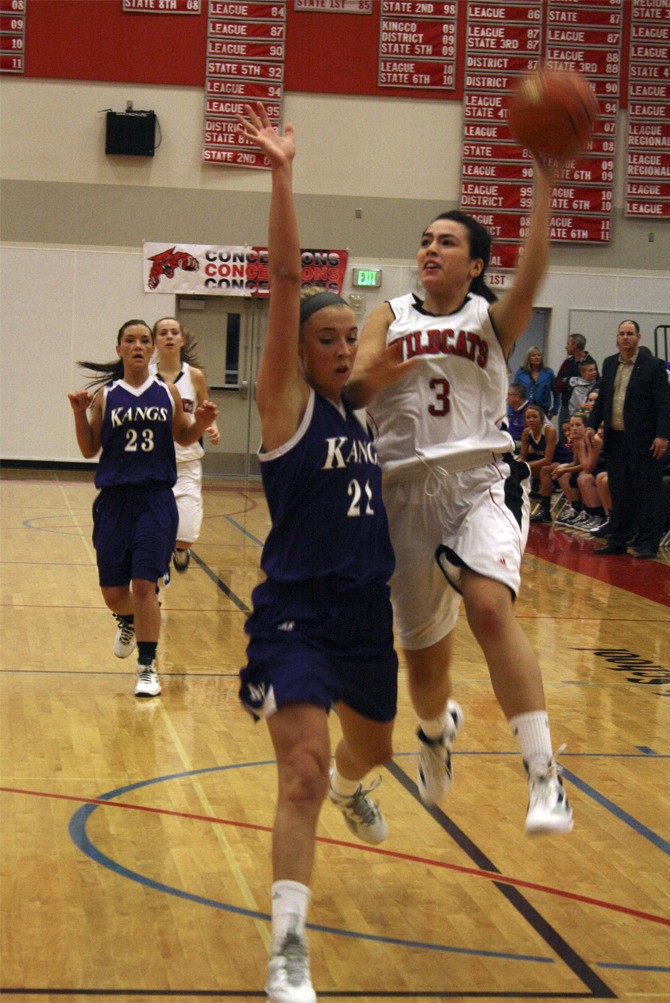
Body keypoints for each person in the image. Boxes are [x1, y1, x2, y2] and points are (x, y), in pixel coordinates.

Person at [347, 157, 573, 836]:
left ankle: (545, 777)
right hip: (402, 494)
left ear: (475, 265)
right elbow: (354, 390)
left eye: (447, 241)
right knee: (425, 673)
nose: (430, 249)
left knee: (488, 606)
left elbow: (531, 276)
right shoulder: (386, 313)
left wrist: (545, 185)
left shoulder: (492, 320)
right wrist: (376, 372)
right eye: (425, 240)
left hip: (480, 479)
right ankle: (436, 732)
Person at [235, 104, 400, 1003]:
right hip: (295, 612)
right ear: (299, 352)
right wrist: (284, 175)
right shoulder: (284, 409)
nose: (340, 350)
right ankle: (289, 949)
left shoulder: (361, 411)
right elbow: (290, 279)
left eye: (348, 340)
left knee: (361, 754)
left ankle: (355, 785)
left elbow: (392, 342)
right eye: (324, 340)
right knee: (301, 768)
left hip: (367, 614)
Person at [68, 320, 218, 697]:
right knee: (114, 593)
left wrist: (199, 424)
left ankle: (147, 668)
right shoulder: (107, 395)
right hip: (115, 502)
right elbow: (89, 450)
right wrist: (78, 414)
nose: (138, 345)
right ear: (119, 349)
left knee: (143, 585)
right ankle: (127, 621)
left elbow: (183, 435)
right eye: (130, 340)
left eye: (144, 341)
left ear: (152, 351)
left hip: (155, 499)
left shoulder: (166, 392)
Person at [587, 319, 670, 560]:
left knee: (646, 493)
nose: (625, 337)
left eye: (630, 333)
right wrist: (591, 425)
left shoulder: (653, 366)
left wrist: (662, 435)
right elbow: (603, 399)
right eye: (622, 333)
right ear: (617, 338)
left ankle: (647, 543)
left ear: (638, 337)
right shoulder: (609, 363)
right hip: (616, 439)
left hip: (644, 440)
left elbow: (663, 404)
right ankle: (617, 541)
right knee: (619, 491)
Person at [151, 317, 221, 572]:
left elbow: (205, 410)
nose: (169, 336)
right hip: (153, 465)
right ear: (155, 342)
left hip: (187, 463)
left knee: (185, 536)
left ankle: (180, 549)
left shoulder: (195, 376)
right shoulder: (145, 377)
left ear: (181, 339)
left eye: (174, 332)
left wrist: (211, 427)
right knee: (153, 533)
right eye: (163, 333)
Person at [553, 333, 596, 440]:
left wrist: (568, 382)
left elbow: (595, 385)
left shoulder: (590, 363)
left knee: (581, 439)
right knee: (565, 439)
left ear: (575, 345)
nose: (566, 346)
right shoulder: (567, 363)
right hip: (566, 406)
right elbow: (556, 384)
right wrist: (569, 384)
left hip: (584, 409)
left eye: (568, 343)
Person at [519, 403, 557, 515]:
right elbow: (522, 456)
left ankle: (545, 510)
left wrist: (525, 466)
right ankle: (517, 502)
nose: (531, 420)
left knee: (544, 470)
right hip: (542, 464)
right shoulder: (526, 432)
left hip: (560, 462)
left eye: (535, 417)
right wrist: (515, 465)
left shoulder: (549, 431)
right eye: (528, 417)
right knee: (515, 469)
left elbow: (548, 460)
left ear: (541, 419)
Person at [514, 346, 558, 415]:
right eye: (533, 355)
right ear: (528, 358)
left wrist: (554, 410)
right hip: (523, 410)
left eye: (539, 355)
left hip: (543, 411)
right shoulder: (521, 373)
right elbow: (514, 393)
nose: (536, 357)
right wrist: (511, 412)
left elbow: (556, 392)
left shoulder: (548, 373)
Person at [506, 381, 529, 447]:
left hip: (521, 444)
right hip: (510, 441)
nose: (506, 397)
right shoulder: (514, 408)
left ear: (517, 397)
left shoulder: (530, 411)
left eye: (508, 395)